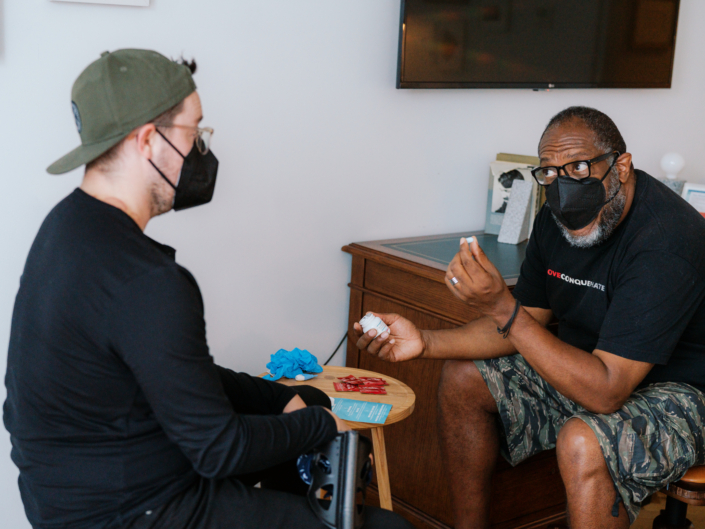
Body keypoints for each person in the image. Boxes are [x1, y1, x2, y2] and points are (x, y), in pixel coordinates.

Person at [4, 49, 412, 529]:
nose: (202, 149)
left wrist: (275, 399)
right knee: (390, 526)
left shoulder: (66, 228)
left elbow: (174, 370)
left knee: (304, 406)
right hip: (134, 512)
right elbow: (220, 450)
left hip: (70, 491)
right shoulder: (148, 281)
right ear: (147, 141)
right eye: (194, 132)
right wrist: (324, 423)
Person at [354, 106, 705, 529]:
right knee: (464, 378)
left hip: (684, 390)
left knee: (585, 440)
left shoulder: (665, 240)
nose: (564, 188)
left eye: (579, 166)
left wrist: (502, 306)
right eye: (550, 172)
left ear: (622, 166)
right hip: (591, 365)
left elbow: (605, 393)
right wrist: (425, 341)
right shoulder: (556, 218)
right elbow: (529, 319)